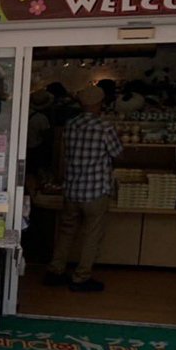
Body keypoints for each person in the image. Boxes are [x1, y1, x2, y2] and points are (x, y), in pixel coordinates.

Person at [43, 84, 123, 293]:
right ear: (98, 103)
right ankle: (81, 278)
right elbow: (117, 153)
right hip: (95, 190)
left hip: (72, 189)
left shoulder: (71, 125)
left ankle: (55, 270)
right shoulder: (104, 127)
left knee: (66, 232)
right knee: (91, 235)